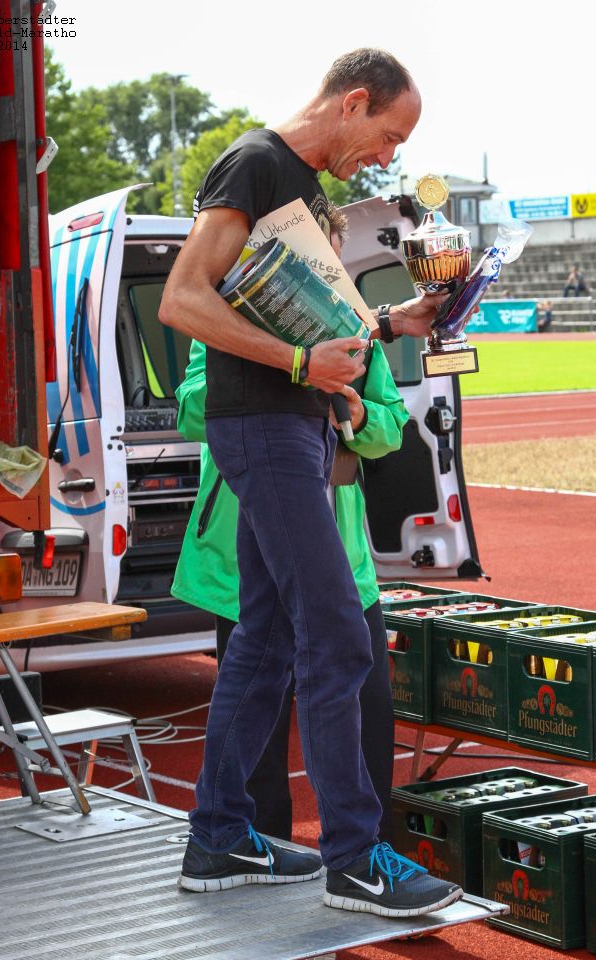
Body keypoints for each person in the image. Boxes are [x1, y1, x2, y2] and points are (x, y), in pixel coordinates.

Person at [159, 47, 462, 918]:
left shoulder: (300, 186)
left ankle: (218, 836)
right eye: (389, 136)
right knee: (335, 638)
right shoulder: (256, 163)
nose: (389, 157)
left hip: (287, 426)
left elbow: (289, 306)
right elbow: (182, 300)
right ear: (353, 101)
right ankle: (356, 860)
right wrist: (299, 364)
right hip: (263, 427)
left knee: (263, 640)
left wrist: (390, 322)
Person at [172, 205, 403, 846]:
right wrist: (285, 367)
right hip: (244, 567)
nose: (320, 275)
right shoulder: (223, 321)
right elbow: (190, 409)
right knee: (259, 744)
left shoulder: (354, 325)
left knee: (368, 724)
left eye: (330, 262)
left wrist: (356, 415)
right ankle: (251, 852)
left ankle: (370, 854)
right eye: (309, 258)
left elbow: (391, 425)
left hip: (344, 565)